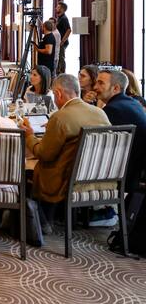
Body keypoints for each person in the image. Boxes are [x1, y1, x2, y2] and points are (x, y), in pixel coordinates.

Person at [19, 74, 110, 231]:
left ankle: (42, 221)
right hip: (98, 177)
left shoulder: (60, 117)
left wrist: (29, 136)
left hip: (65, 181)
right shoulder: (99, 113)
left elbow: (44, 154)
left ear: (58, 93)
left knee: (26, 170)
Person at [94, 70, 146, 194]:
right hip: (138, 170)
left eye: (101, 83)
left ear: (116, 88)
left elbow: (99, 145)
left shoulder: (113, 109)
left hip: (125, 176)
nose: (95, 87)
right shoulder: (133, 103)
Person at [55, 2, 72, 74]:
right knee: (59, 59)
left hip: (62, 42)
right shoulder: (59, 18)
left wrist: (62, 41)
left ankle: (62, 75)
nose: (56, 8)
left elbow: (69, 30)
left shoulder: (64, 18)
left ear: (62, 9)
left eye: (58, 7)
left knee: (61, 59)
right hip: (59, 42)